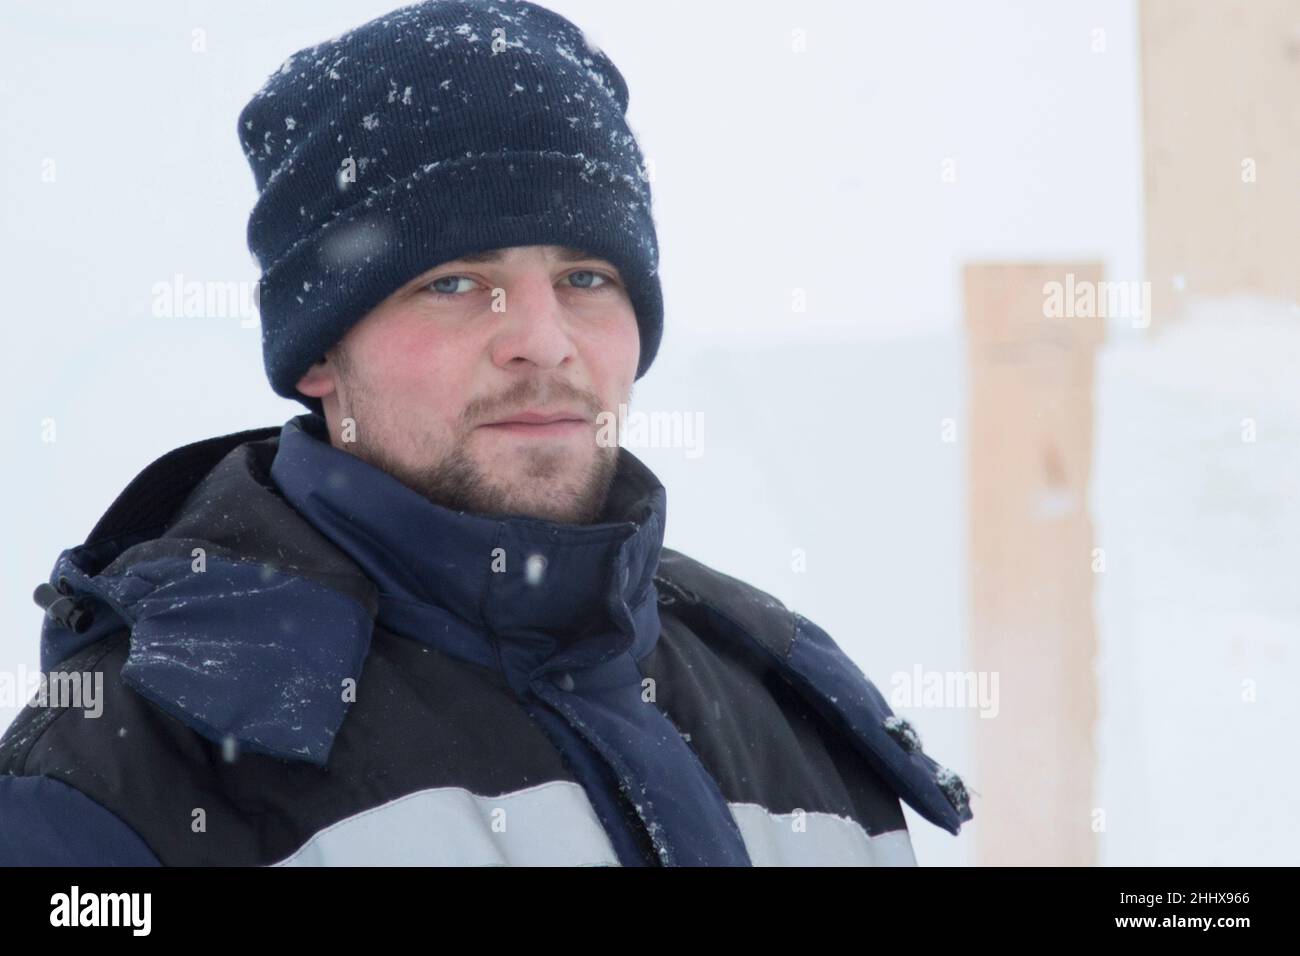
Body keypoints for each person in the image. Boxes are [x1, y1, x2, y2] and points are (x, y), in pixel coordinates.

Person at [0, 0, 971, 866]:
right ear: (318, 352)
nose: (541, 341)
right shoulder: (130, 767)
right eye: (456, 283)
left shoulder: (794, 721)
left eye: (586, 277)